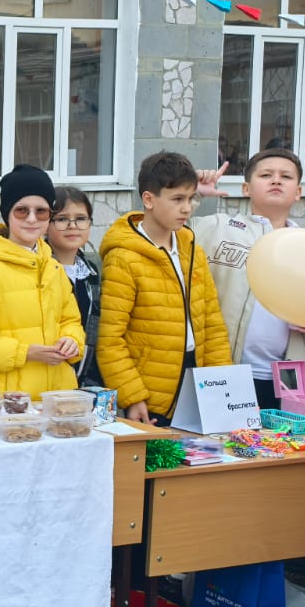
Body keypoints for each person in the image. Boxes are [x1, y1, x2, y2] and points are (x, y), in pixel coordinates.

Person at [98, 152, 232, 424]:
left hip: (200, 385)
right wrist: (132, 396)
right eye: (177, 199)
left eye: (191, 198)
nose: (187, 208)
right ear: (148, 200)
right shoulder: (123, 258)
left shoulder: (192, 250)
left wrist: (223, 383)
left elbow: (213, 325)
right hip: (151, 394)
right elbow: (110, 339)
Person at [192, 151, 305, 405]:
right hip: (221, 372)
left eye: (286, 176)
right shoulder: (217, 228)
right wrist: (192, 193)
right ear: (246, 188)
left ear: (298, 192)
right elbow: (162, 231)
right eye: (266, 175)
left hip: (286, 383)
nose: (276, 180)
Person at [0, 164, 84, 398]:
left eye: (41, 211)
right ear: (7, 214)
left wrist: (72, 340)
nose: (32, 219)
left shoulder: (54, 268)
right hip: (6, 403)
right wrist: (25, 352)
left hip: (57, 398)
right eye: (22, 211)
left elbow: (71, 321)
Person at [48, 186, 103, 388]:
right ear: (46, 224)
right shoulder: (41, 270)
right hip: (50, 374)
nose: (73, 226)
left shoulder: (91, 271)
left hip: (85, 376)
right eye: (62, 219)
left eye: (81, 218)